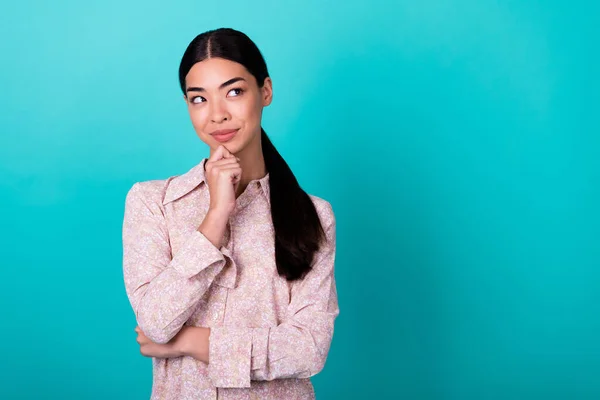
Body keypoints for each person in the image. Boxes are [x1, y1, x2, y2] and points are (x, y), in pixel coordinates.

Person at [121, 27, 339, 400]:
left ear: (265, 92)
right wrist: (216, 217)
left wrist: (191, 341)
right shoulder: (152, 202)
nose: (217, 115)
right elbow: (154, 322)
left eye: (234, 92)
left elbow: (309, 349)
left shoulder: (313, 215)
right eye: (199, 99)